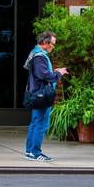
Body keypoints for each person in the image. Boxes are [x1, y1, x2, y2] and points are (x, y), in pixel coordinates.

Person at [24, 30, 67, 162]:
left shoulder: (35, 54)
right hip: (41, 95)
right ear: (44, 43)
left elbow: (41, 73)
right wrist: (58, 74)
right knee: (41, 123)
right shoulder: (39, 56)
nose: (53, 47)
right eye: (52, 44)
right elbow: (44, 75)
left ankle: (29, 151)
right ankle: (35, 153)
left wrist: (53, 71)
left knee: (35, 122)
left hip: (36, 93)